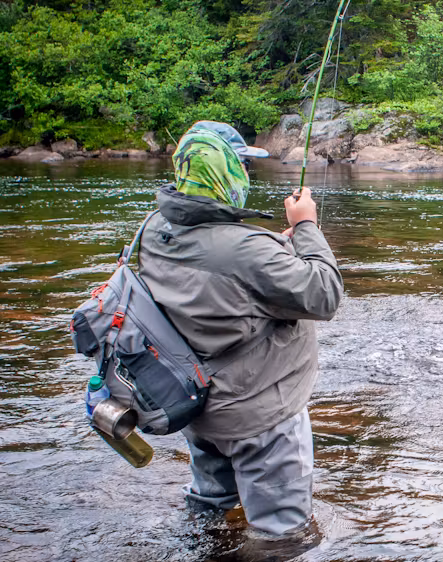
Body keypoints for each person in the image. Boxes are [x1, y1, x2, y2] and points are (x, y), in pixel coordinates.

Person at [137, 121, 342, 536]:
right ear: (222, 170)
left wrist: (277, 251)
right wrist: (306, 228)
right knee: (281, 538)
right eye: (241, 165)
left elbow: (224, 272)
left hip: (197, 407)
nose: (246, 174)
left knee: (211, 513)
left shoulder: (154, 227)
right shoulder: (248, 249)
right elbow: (324, 294)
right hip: (259, 416)